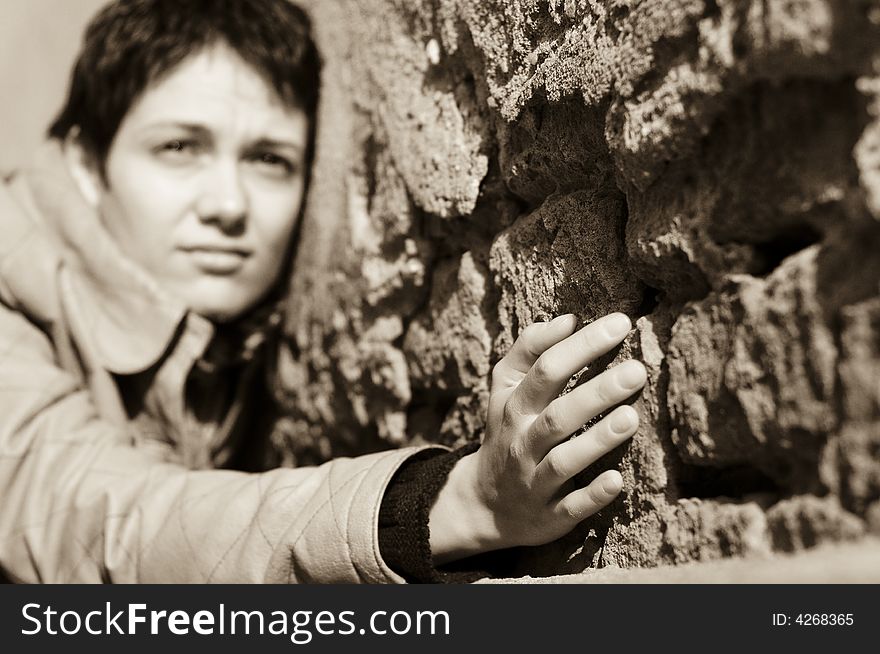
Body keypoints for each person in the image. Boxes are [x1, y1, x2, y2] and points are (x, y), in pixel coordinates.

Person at [0, 0, 647, 583]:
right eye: (178, 147)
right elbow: (88, 525)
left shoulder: (236, 332)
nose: (228, 205)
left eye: (269, 160)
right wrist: (456, 501)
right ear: (87, 164)